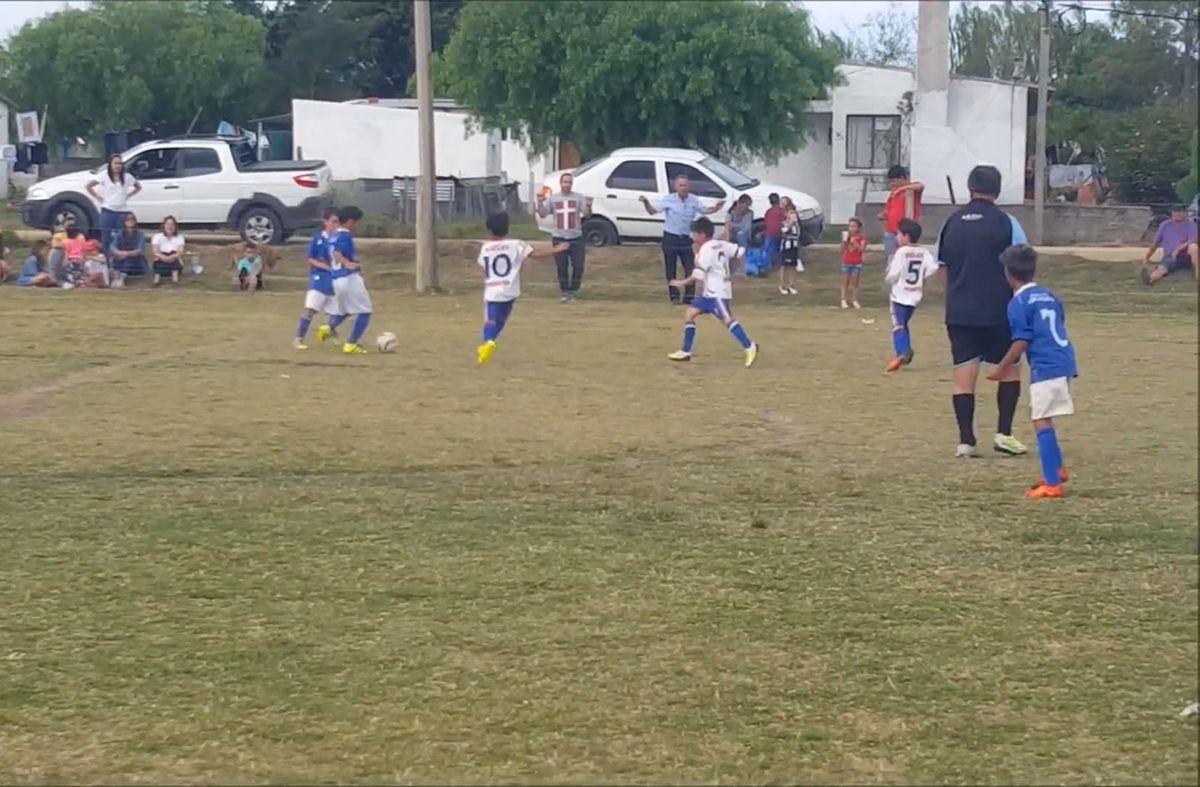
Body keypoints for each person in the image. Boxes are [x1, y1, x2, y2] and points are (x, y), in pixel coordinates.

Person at [936, 164, 1029, 459]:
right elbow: (1021, 265)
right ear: (998, 190)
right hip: (999, 310)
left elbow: (943, 268)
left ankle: (966, 441)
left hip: (959, 311)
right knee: (1009, 369)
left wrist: (954, 297)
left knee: (964, 374)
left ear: (969, 187)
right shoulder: (1007, 222)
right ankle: (1004, 434)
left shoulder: (950, 222)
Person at [988, 244, 1077, 499]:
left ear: (1008, 274)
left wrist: (1001, 368)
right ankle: (1056, 470)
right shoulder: (1048, 295)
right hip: (1064, 359)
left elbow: (1021, 341)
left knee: (1040, 420)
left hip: (1046, 365)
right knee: (1044, 415)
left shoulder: (1018, 302)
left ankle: (1052, 484)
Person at [475, 211, 568, 366]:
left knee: (490, 320)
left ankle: (487, 342)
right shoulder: (516, 244)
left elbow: (483, 266)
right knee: (501, 320)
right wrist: (556, 250)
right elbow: (535, 253)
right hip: (510, 290)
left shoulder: (485, 248)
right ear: (507, 229)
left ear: (489, 230)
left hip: (493, 290)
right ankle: (490, 342)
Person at [666, 216, 760, 368]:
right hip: (710, 293)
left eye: (695, 233)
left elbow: (698, 274)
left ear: (703, 234)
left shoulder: (706, 250)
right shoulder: (720, 244)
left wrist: (680, 282)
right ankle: (685, 351)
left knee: (728, 320)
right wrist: (738, 272)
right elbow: (739, 252)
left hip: (717, 292)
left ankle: (749, 346)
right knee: (690, 314)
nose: (693, 236)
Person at [638, 174, 724, 304]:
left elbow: (706, 210)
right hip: (671, 237)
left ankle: (689, 297)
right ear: (676, 187)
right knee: (670, 269)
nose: (683, 188)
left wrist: (717, 207)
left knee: (690, 268)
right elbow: (652, 211)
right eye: (681, 185)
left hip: (686, 238)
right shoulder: (668, 199)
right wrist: (646, 202)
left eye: (685, 185)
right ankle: (674, 296)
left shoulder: (694, 200)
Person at [884, 219, 940, 373]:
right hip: (915, 294)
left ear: (905, 236)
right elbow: (934, 268)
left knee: (898, 324)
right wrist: (922, 279)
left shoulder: (901, 252)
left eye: (898, 234)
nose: (896, 237)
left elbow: (893, 273)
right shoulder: (924, 252)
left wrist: (889, 278)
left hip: (899, 294)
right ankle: (906, 350)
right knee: (904, 322)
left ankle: (901, 352)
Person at [317, 206, 373, 355]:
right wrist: (348, 263)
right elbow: (337, 252)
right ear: (349, 221)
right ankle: (351, 344)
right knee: (365, 311)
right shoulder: (345, 235)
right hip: (348, 277)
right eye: (357, 222)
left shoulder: (333, 235)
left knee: (347, 310)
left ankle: (328, 328)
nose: (357, 225)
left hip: (336, 278)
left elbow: (331, 252)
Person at [535, 172, 592, 302]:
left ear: (572, 184)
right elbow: (543, 214)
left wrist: (588, 205)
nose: (567, 184)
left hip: (576, 237)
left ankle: (575, 289)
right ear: (560, 183)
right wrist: (539, 203)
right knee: (562, 266)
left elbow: (587, 215)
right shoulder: (553, 199)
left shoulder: (578, 198)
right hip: (559, 237)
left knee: (578, 265)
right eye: (564, 182)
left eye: (569, 182)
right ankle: (565, 291)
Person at [294, 210, 339, 350]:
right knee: (311, 309)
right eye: (333, 221)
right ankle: (299, 338)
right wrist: (323, 266)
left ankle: (329, 333)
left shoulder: (340, 239)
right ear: (325, 222)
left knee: (336, 311)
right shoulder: (318, 239)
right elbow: (310, 259)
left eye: (337, 222)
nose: (335, 224)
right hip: (319, 278)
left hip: (335, 279)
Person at [85, 153, 141, 256]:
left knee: (120, 237)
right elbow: (89, 186)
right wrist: (98, 198)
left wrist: (128, 195)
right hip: (108, 210)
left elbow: (138, 187)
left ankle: (118, 263)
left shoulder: (127, 177)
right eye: (115, 163)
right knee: (106, 238)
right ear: (110, 164)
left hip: (122, 212)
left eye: (120, 163)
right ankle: (107, 262)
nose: (118, 165)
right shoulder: (104, 176)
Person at [1140, 204, 1198, 285]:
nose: (1178, 214)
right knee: (1163, 268)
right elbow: (1156, 242)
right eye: (1175, 211)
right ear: (1171, 213)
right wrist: (1147, 257)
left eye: (1180, 211)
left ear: (1185, 213)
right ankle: (1151, 278)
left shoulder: (1190, 224)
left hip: (1186, 256)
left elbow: (1194, 239)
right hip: (1170, 256)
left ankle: (1197, 276)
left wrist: (1179, 248)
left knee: (1193, 247)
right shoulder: (1165, 225)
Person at [878, 165, 924, 267]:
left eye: (894, 181)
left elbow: (920, 185)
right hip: (890, 230)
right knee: (891, 259)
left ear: (902, 178)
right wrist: (884, 214)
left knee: (906, 258)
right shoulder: (893, 192)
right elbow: (888, 208)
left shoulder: (911, 189)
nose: (892, 184)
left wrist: (901, 189)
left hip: (905, 232)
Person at [110, 213, 147, 287]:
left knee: (131, 258)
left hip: (137, 264)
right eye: (128, 219)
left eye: (132, 219)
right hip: (121, 260)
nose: (130, 221)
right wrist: (120, 253)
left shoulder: (140, 234)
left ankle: (121, 279)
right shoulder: (119, 234)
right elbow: (112, 247)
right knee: (116, 258)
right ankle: (116, 277)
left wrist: (126, 254)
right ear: (124, 222)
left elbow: (140, 250)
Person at [840, 217, 867, 308]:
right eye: (850, 226)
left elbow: (862, 249)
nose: (852, 228)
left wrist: (854, 242)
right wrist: (844, 241)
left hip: (857, 263)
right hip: (846, 262)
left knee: (855, 283)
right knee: (845, 282)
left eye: (854, 226)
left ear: (858, 227)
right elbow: (841, 250)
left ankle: (854, 300)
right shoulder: (847, 236)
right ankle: (843, 300)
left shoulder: (862, 237)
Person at [779, 196, 803, 294]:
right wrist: (788, 224)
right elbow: (783, 231)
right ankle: (782, 285)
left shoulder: (795, 220)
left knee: (792, 265)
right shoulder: (783, 220)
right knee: (785, 265)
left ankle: (791, 285)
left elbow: (798, 231)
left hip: (794, 244)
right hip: (786, 244)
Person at [151, 216, 185, 286]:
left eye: (172, 224)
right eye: (168, 224)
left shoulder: (180, 237)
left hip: (174, 259)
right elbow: (155, 251)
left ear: (175, 226)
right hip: (161, 258)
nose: (170, 226)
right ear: (164, 225)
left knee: (173, 255)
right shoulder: (157, 236)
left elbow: (180, 252)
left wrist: (172, 257)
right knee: (158, 260)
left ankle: (175, 280)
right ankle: (156, 281)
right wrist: (163, 257)